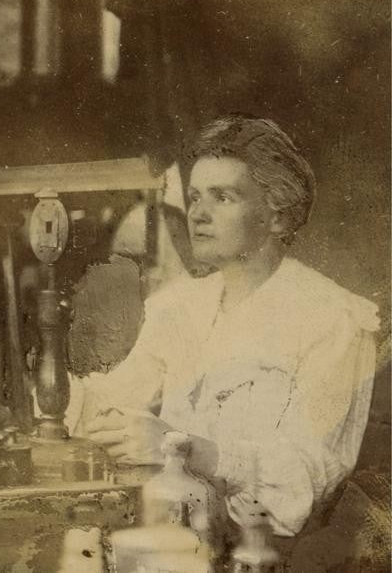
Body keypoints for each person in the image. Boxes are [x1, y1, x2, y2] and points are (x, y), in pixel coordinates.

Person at [71, 114, 380, 536]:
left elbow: (312, 475)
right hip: (172, 534)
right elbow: (109, 404)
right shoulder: (179, 305)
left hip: (267, 553)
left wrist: (185, 448)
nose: (198, 214)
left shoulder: (334, 318)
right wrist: (12, 412)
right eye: (195, 196)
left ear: (278, 216)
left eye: (223, 197)